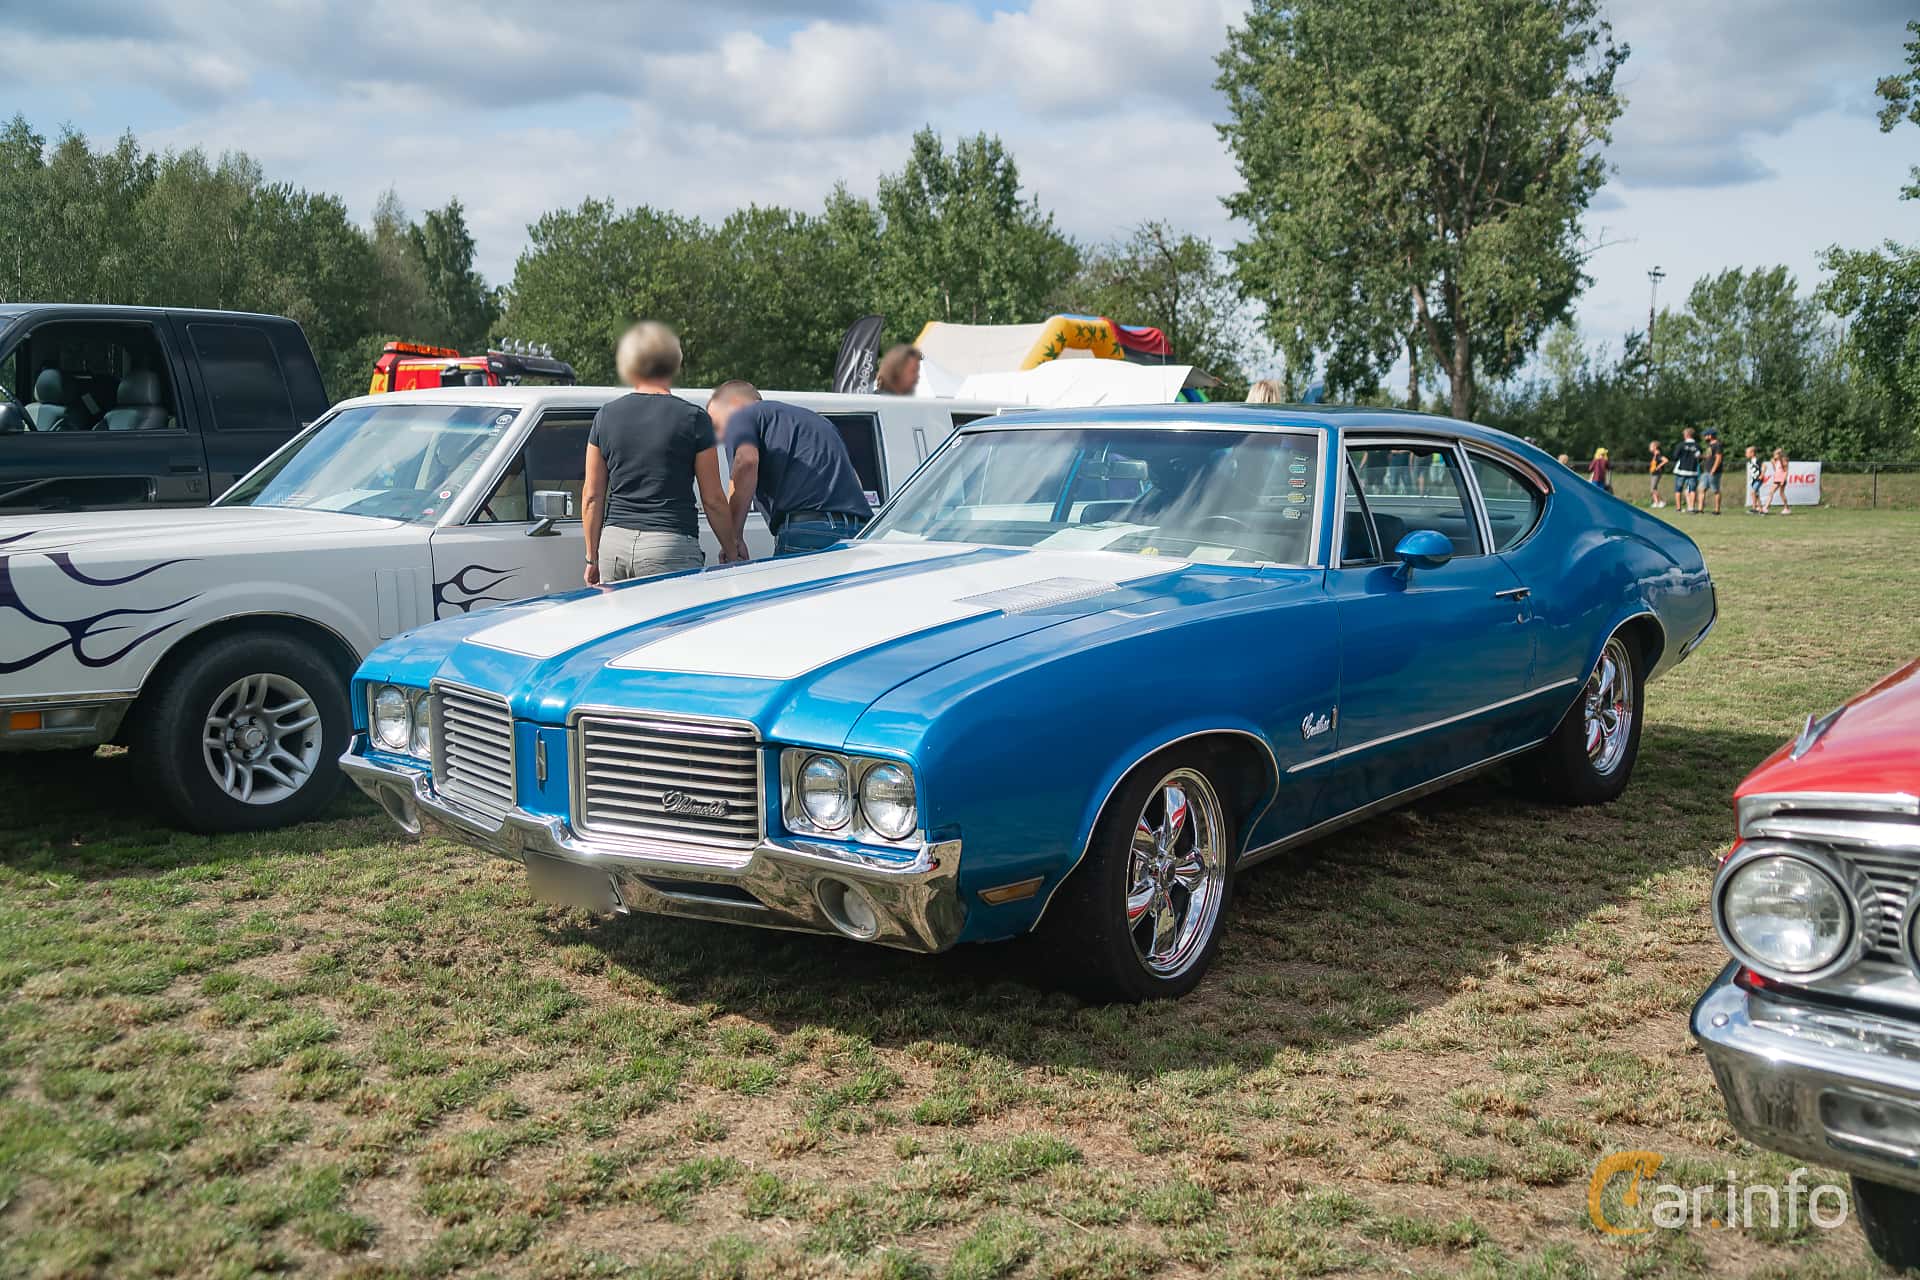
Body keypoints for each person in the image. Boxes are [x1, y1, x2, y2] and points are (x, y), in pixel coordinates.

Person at [581, 322, 731, 586]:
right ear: (675, 364)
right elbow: (713, 500)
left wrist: (592, 558)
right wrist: (731, 547)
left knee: (623, 626)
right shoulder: (693, 419)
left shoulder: (605, 415)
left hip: (614, 544)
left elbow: (592, 496)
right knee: (675, 628)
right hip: (669, 543)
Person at [707, 380, 874, 556]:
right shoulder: (820, 422)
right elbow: (855, 480)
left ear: (734, 403)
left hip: (808, 531)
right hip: (858, 531)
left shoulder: (741, 415)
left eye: (715, 424)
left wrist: (734, 537)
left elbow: (746, 460)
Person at [1671, 427, 1702, 514]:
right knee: (1692, 490)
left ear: (1686, 435)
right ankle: (1691, 508)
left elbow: (1675, 456)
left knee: (1678, 489)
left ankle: (1678, 508)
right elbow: (1699, 457)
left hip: (1681, 470)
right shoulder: (1697, 446)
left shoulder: (1680, 445)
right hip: (1693, 470)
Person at [1701, 428, 1725, 515]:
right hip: (1706, 470)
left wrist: (1713, 470)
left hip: (1714, 471)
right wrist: (1701, 456)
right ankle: (1700, 509)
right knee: (1702, 489)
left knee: (1715, 490)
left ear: (1710, 436)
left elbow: (1718, 458)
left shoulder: (1718, 445)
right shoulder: (1709, 445)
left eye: (1705, 435)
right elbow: (1709, 456)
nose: (1704, 437)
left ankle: (1717, 510)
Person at [1762, 447, 1792, 514]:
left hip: (1781, 479)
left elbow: (1786, 471)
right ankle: (1786, 508)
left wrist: (1783, 480)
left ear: (1779, 454)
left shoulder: (1784, 460)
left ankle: (1766, 508)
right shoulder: (1777, 461)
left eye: (1775, 454)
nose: (1774, 456)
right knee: (1776, 493)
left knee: (1776, 493)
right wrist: (1773, 463)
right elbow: (1776, 470)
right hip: (1777, 478)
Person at [1647, 440, 1669, 508]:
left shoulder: (1658, 454)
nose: (1649, 448)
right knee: (1653, 489)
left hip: (1657, 473)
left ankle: (1662, 501)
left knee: (1653, 489)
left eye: (1651, 446)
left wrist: (1659, 466)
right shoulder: (1655, 455)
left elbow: (1666, 460)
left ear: (1655, 447)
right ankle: (1656, 503)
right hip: (1653, 473)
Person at [1744, 445, 1764, 513]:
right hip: (1754, 480)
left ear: (1752, 453)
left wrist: (1762, 475)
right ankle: (1760, 509)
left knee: (1753, 493)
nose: (1746, 454)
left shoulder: (1756, 460)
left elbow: (1764, 466)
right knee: (1756, 494)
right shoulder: (1751, 461)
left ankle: (1754, 508)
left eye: (1747, 453)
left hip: (1758, 480)